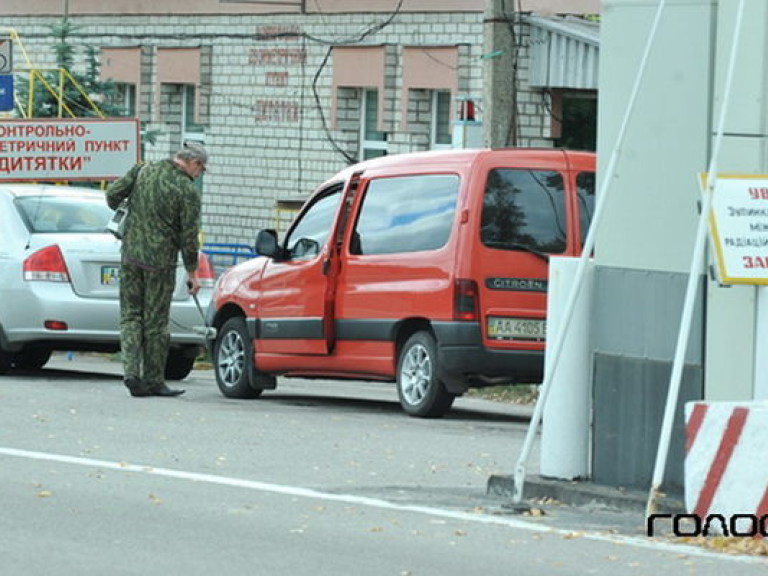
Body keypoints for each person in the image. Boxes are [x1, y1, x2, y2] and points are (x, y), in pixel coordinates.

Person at [106, 142, 207, 398]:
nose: (200, 174)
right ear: (193, 163)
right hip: (160, 264)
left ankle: (130, 372)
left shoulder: (143, 170)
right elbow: (188, 237)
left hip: (130, 255)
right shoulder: (187, 190)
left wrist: (132, 208)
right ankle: (153, 380)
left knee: (130, 316)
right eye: (201, 169)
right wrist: (193, 273)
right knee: (156, 322)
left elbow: (112, 195)